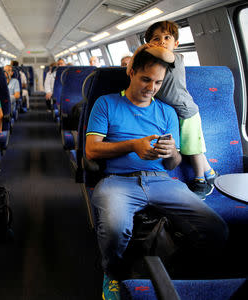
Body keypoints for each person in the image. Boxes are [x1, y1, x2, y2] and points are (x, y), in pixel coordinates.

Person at [86, 49, 228, 300]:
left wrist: (171, 151)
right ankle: (113, 273)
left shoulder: (167, 112)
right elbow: (91, 150)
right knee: (115, 228)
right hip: (118, 182)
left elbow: (173, 164)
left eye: (158, 82)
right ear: (131, 72)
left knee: (216, 228)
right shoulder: (106, 103)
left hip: (162, 181)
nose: (152, 87)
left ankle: (176, 270)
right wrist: (133, 145)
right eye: (145, 79)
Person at [129, 20, 217, 198]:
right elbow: (129, 70)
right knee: (187, 145)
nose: (161, 41)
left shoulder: (176, 58)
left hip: (186, 111)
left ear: (176, 44)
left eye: (167, 37)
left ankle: (200, 180)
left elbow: (165, 54)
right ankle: (212, 174)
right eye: (156, 38)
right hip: (171, 114)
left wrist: (144, 47)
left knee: (193, 149)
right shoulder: (153, 63)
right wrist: (140, 51)